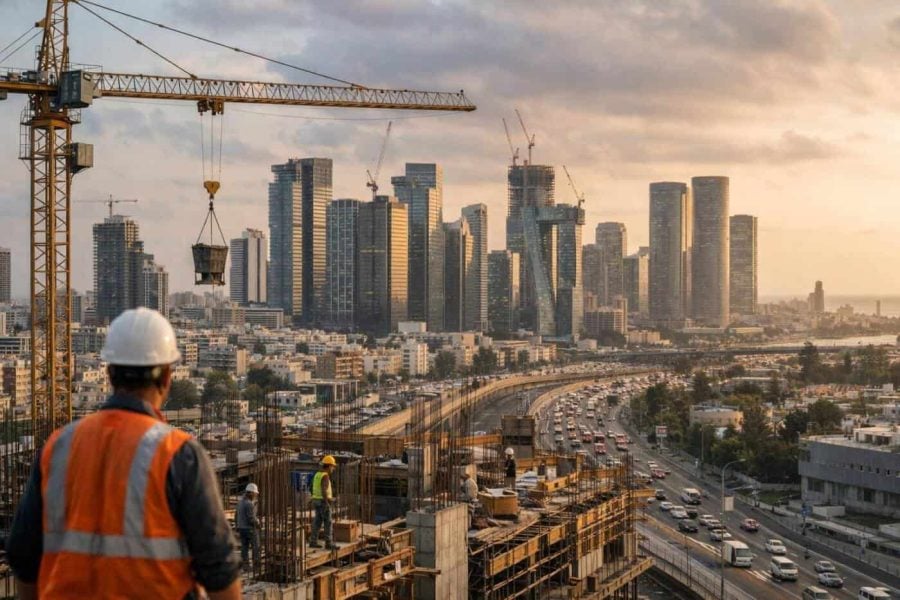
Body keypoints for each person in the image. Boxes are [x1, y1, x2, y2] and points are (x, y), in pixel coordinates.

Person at [7, 307, 241, 599]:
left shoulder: (58, 447)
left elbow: (23, 555)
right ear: (167, 376)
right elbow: (219, 568)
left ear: (108, 373)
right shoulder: (178, 454)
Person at [309, 455, 337, 550]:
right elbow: (324, 490)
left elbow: (311, 487)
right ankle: (329, 543)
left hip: (316, 501)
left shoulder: (317, 474)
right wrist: (327, 501)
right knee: (328, 522)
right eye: (333, 466)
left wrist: (314, 498)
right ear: (329, 466)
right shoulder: (325, 476)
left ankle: (313, 541)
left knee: (317, 522)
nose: (333, 469)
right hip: (322, 502)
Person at [236, 483, 261, 571]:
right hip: (249, 528)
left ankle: (245, 565)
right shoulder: (249, 504)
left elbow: (236, 516)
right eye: (255, 494)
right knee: (256, 546)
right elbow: (251, 519)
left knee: (244, 547)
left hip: (241, 528)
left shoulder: (240, 502)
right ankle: (256, 566)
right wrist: (258, 523)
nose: (255, 495)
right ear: (250, 493)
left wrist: (237, 526)